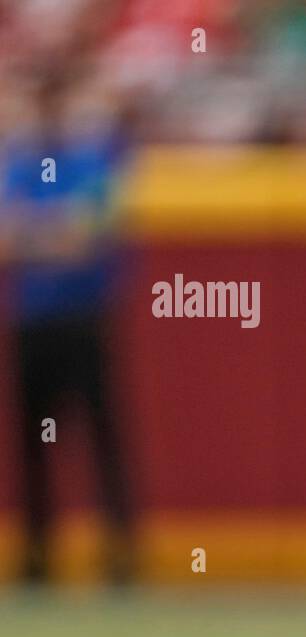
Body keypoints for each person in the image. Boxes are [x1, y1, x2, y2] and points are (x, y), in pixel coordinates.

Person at [0, 69, 135, 585]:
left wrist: (38, 231)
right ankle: (38, 557)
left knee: (102, 440)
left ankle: (119, 556)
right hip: (34, 322)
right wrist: (57, 231)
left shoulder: (89, 162)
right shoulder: (23, 163)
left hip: (83, 321)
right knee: (33, 444)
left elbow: (86, 236)